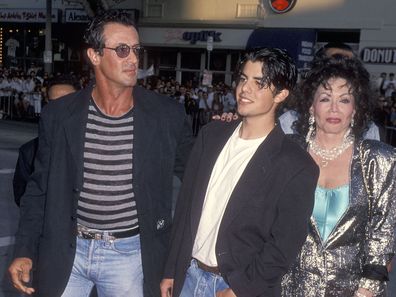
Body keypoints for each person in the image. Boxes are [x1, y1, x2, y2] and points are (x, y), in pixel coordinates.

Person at [8, 10, 193, 297]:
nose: (133, 59)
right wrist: (24, 249)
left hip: (130, 256)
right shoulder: (59, 115)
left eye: (136, 49)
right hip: (68, 251)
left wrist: (225, 135)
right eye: (121, 50)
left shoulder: (167, 116)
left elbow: (198, 178)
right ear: (94, 56)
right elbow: (39, 190)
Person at [160, 48, 319, 297]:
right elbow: (185, 209)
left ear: (281, 94)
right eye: (243, 79)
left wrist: (241, 289)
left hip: (234, 287)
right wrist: (170, 268)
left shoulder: (296, 165)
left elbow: (284, 244)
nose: (245, 89)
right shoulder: (210, 136)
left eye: (259, 83)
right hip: (187, 276)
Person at [281, 57, 396, 297]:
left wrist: (365, 292)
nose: (334, 108)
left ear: (356, 108)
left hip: (356, 292)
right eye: (325, 98)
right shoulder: (288, 151)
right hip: (288, 288)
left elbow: (382, 238)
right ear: (311, 107)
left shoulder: (378, 159)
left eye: (344, 100)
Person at [12, 76, 77, 207]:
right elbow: (24, 199)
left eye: (68, 103)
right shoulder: (29, 152)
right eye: (55, 104)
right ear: (46, 104)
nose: (61, 110)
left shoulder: (97, 143)